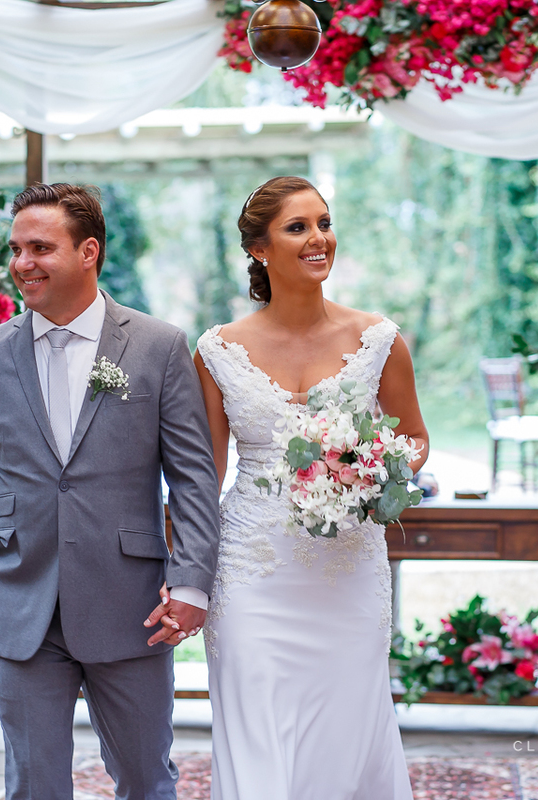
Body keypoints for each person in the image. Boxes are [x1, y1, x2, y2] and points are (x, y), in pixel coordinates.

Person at [0, 183, 220, 799]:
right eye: (16, 249)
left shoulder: (158, 346)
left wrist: (191, 581)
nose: (22, 263)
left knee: (144, 779)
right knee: (34, 786)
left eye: (40, 247)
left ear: (88, 251)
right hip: (20, 603)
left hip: (131, 605)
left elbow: (192, 474)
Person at [193, 176, 429, 799]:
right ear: (260, 250)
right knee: (256, 731)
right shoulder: (218, 351)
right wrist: (181, 565)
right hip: (253, 570)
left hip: (347, 569)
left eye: (323, 223)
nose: (318, 237)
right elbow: (204, 472)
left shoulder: (378, 340)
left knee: (346, 730)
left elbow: (416, 440)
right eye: (298, 227)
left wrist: (371, 468)